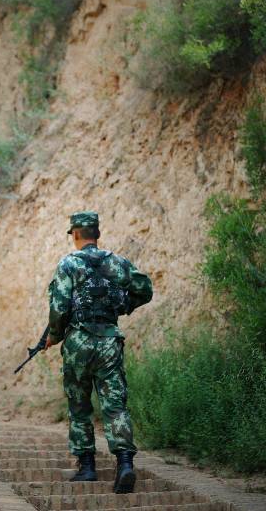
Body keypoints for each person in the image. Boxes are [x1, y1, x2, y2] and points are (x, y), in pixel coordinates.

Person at [44, 210, 153, 494]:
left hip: (78, 343)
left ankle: (88, 467)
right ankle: (125, 465)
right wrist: (121, 305)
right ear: (98, 234)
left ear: (76, 234)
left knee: (79, 404)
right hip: (109, 343)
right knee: (114, 404)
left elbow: (59, 308)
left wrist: (54, 337)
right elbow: (144, 289)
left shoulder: (68, 264)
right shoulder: (116, 262)